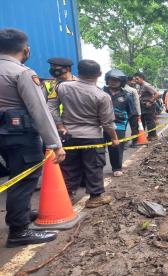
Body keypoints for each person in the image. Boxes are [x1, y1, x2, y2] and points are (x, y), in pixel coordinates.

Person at [0, 28, 66, 247]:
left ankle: (21, 213)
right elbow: (39, 110)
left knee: (14, 177)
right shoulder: (22, 73)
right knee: (24, 179)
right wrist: (55, 144)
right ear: (25, 49)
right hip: (19, 136)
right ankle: (18, 231)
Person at [48, 59, 118, 208]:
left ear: (78, 72)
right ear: (99, 74)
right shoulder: (102, 96)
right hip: (93, 137)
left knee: (68, 167)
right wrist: (114, 138)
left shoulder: (62, 87)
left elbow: (51, 108)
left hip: (68, 135)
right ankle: (95, 198)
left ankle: (66, 197)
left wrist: (60, 126)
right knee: (94, 167)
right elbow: (107, 123)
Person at [103, 69, 136, 176]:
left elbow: (132, 112)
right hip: (100, 125)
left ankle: (116, 168)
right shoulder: (101, 92)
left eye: (116, 80)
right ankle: (97, 169)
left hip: (119, 126)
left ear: (121, 82)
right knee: (97, 149)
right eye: (111, 79)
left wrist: (133, 129)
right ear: (107, 80)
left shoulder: (127, 95)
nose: (113, 82)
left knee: (116, 148)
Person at [134, 72, 160, 140]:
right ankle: (145, 136)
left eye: (137, 79)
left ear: (142, 78)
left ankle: (153, 136)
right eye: (135, 79)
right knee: (143, 120)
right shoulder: (141, 86)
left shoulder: (146, 85)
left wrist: (150, 101)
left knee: (150, 121)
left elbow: (157, 94)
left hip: (148, 106)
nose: (136, 81)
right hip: (143, 106)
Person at [124, 76, 141, 147]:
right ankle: (134, 143)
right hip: (133, 112)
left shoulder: (119, 90)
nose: (133, 82)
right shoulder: (133, 90)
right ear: (128, 81)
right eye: (132, 81)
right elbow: (137, 102)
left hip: (122, 112)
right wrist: (139, 113)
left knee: (122, 128)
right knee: (134, 128)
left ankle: (123, 144)